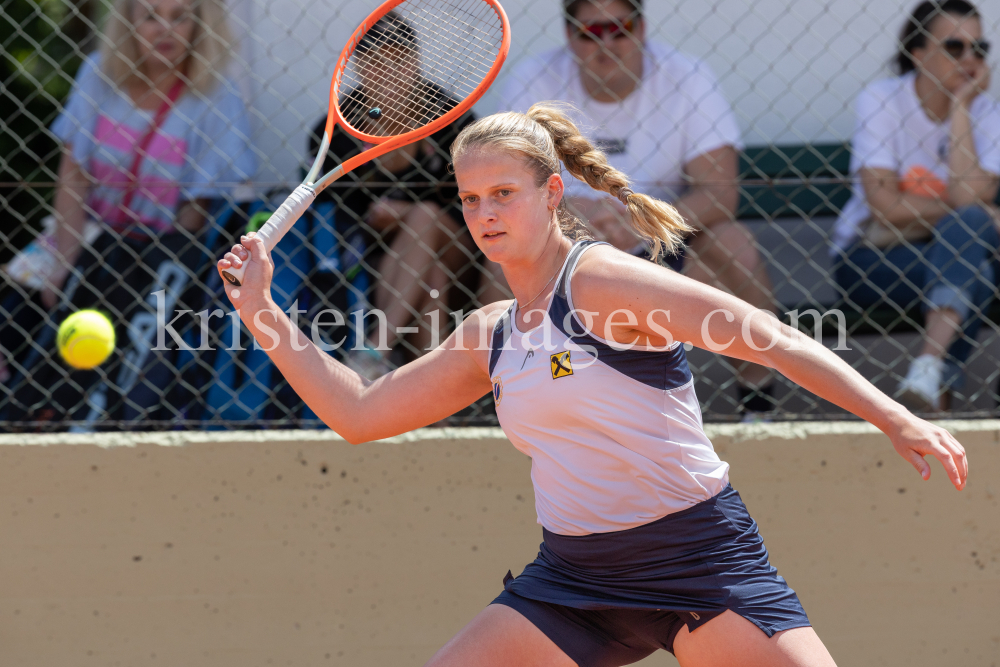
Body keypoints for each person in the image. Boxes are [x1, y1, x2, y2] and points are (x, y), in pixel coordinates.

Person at [218, 104, 967, 667]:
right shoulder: (492, 332)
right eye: (471, 199)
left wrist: (892, 413)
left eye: (503, 194)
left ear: (552, 193)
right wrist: (261, 310)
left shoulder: (606, 282)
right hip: (574, 580)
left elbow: (768, 338)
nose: (484, 214)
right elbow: (358, 412)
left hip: (699, 561)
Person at [500, 0, 779, 417]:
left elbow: (720, 193)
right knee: (501, 257)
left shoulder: (687, 76)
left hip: (664, 241)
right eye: (590, 32)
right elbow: (509, 186)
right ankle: (515, 395)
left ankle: (759, 395)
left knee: (733, 242)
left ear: (642, 28)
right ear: (569, 37)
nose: (606, 43)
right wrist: (572, 220)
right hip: (563, 246)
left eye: (620, 28)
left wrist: (639, 222)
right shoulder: (533, 79)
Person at [2, 0, 254, 421]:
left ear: (201, 24)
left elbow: (194, 216)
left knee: (112, 359)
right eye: (150, 16)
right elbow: (73, 172)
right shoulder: (99, 73)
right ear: (128, 22)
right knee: (17, 318)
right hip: (81, 234)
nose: (165, 30)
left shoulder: (216, 96)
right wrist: (65, 260)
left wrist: (129, 273)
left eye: (180, 17)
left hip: (155, 256)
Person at [307, 12, 509, 378]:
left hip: (460, 251)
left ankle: (373, 353)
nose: (387, 71)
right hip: (379, 261)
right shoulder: (339, 128)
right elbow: (329, 212)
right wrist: (376, 215)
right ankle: (440, 390)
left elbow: (479, 199)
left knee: (424, 217)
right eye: (374, 60)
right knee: (429, 275)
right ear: (358, 67)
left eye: (398, 58)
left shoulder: (452, 119)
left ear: (415, 61)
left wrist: (402, 211)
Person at [833, 0, 1000, 411]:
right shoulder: (883, 99)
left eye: (979, 48)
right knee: (973, 245)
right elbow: (885, 205)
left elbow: (963, 199)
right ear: (918, 52)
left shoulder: (985, 110)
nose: (970, 59)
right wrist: (970, 214)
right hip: (874, 259)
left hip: (945, 256)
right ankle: (940, 390)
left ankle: (928, 367)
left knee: (968, 238)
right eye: (955, 47)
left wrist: (960, 106)